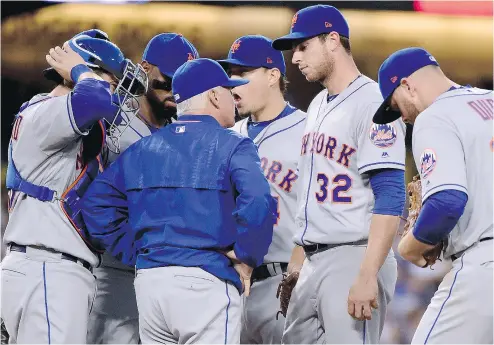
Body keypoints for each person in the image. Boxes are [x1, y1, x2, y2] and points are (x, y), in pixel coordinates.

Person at [81, 58, 276, 344]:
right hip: (205, 281)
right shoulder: (234, 144)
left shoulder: (145, 148)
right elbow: (259, 202)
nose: (232, 97)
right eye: (227, 90)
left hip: (151, 283)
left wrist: (137, 251)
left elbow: (95, 204)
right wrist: (247, 257)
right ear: (213, 95)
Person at [271, 4, 406, 343]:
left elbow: (390, 193)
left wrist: (367, 273)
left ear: (333, 40)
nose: (295, 58)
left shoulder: (374, 101)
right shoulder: (317, 104)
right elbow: (309, 195)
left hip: (353, 254)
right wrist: (297, 263)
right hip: (314, 259)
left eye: (303, 46)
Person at [1, 32, 147, 343]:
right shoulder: (49, 111)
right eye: (111, 80)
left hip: (42, 267)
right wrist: (81, 71)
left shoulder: (55, 118)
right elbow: (93, 98)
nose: (116, 93)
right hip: (49, 270)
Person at [373, 47, 493, 344]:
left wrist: (410, 247)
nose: (401, 116)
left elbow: (446, 202)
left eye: (395, 105)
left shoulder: (435, 116)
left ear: (407, 86)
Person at [87, 32, 199, 345]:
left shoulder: (183, 136)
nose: (176, 91)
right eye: (169, 80)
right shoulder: (111, 121)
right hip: (109, 270)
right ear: (146, 69)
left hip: (157, 276)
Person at [218, 34, 306, 344]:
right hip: (229, 282)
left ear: (273, 75)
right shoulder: (227, 134)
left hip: (284, 282)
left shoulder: (308, 130)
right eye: (230, 75)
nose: (233, 83)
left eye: (243, 73)